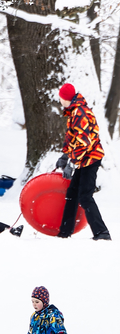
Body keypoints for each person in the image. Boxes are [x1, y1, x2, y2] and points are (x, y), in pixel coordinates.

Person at [55, 83, 111, 240]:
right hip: (83, 159)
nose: (59, 100)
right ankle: (65, 232)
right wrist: (65, 156)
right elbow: (72, 138)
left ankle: (102, 233)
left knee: (85, 196)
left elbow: (83, 142)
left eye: (60, 97)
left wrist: (71, 163)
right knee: (72, 193)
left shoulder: (80, 113)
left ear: (65, 98)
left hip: (91, 158)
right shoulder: (74, 112)